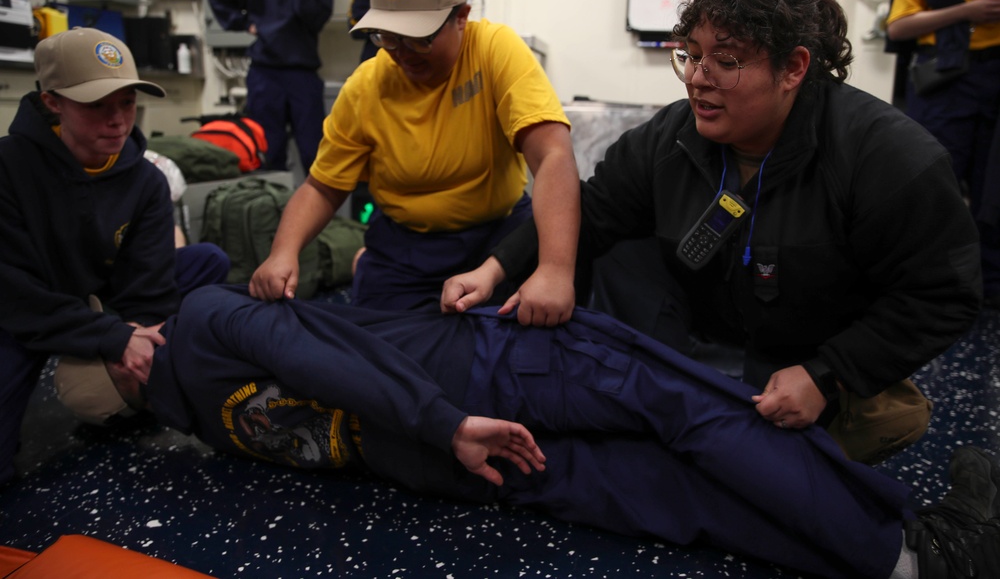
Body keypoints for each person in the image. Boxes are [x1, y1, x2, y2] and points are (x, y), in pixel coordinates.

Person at [55, 284, 1000, 579]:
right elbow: (324, 359)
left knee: (666, 495)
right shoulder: (208, 317)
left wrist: (445, 437)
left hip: (438, 466)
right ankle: (919, 543)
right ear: (134, 355)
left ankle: (893, 567)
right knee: (694, 407)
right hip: (468, 381)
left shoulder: (210, 427)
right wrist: (449, 416)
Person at [442, 0, 983, 454]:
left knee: (809, 476)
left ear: (793, 69)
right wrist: (496, 269)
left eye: (725, 61)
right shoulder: (671, 139)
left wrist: (827, 375)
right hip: (709, 344)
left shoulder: (887, 157)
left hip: (811, 358)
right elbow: (592, 208)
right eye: (691, 56)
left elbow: (943, 294)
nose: (699, 80)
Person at [250, 0, 580, 317]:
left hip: (498, 237)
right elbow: (322, 187)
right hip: (403, 250)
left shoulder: (493, 50)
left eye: (419, 38)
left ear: (461, 16)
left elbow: (553, 152)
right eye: (387, 37)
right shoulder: (367, 84)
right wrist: (283, 253)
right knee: (375, 350)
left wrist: (555, 269)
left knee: (504, 351)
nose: (403, 52)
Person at [0, 27, 231, 485]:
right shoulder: (8, 169)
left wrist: (139, 337)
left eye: (126, 102)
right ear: (52, 102)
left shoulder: (144, 180)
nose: (118, 121)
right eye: (97, 106)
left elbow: (149, 285)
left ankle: (135, 388)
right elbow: (13, 292)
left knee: (206, 260)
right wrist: (110, 337)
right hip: (24, 308)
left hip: (98, 297)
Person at [885, 0, 1000, 308]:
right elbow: (898, 25)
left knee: (993, 186)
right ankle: (928, 282)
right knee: (934, 179)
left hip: (994, 74)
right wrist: (969, 12)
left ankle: (989, 284)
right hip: (946, 78)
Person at [208, 0, 334, 174]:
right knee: (267, 151)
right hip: (266, 74)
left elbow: (316, 19)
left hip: (303, 74)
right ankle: (271, 209)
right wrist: (244, 24)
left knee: (315, 152)